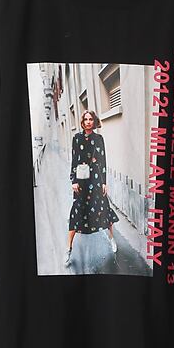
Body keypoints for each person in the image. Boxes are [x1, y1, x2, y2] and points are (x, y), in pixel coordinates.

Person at [64, 110, 119, 266]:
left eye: (91, 119)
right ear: (82, 122)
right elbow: (74, 160)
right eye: (86, 119)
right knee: (76, 212)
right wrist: (73, 180)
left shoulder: (98, 138)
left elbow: (103, 161)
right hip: (81, 180)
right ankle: (68, 249)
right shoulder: (77, 138)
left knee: (104, 209)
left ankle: (112, 239)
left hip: (95, 179)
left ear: (94, 122)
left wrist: (104, 182)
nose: (88, 122)